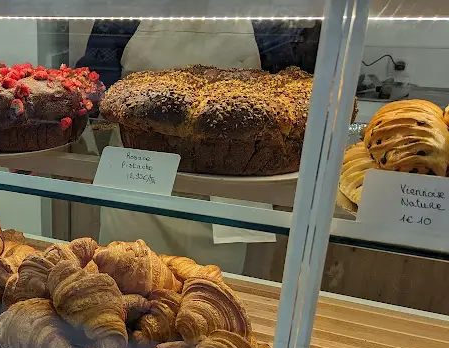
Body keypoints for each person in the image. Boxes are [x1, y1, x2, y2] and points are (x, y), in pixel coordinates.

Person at [75, 19, 319, 272]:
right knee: (128, 283)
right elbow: (95, 83)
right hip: (138, 182)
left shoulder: (261, 17)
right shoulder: (127, 12)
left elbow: (293, 85)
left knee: (216, 294)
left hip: (231, 195)